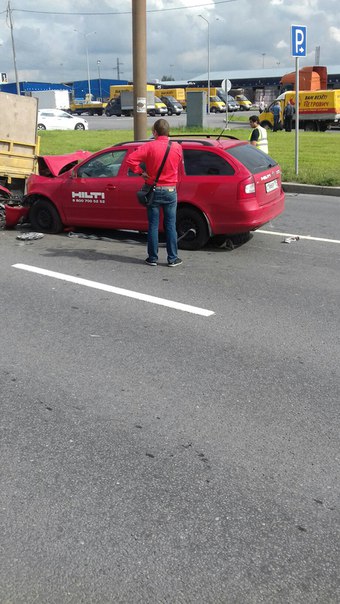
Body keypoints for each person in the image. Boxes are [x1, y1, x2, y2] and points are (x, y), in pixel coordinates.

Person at [127, 119, 183, 267]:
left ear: (155, 132)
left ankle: (152, 258)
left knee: (153, 225)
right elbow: (177, 165)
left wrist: (141, 172)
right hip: (171, 190)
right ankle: (173, 258)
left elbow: (130, 159)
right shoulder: (177, 147)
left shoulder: (149, 146)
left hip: (154, 189)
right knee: (170, 225)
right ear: (168, 132)